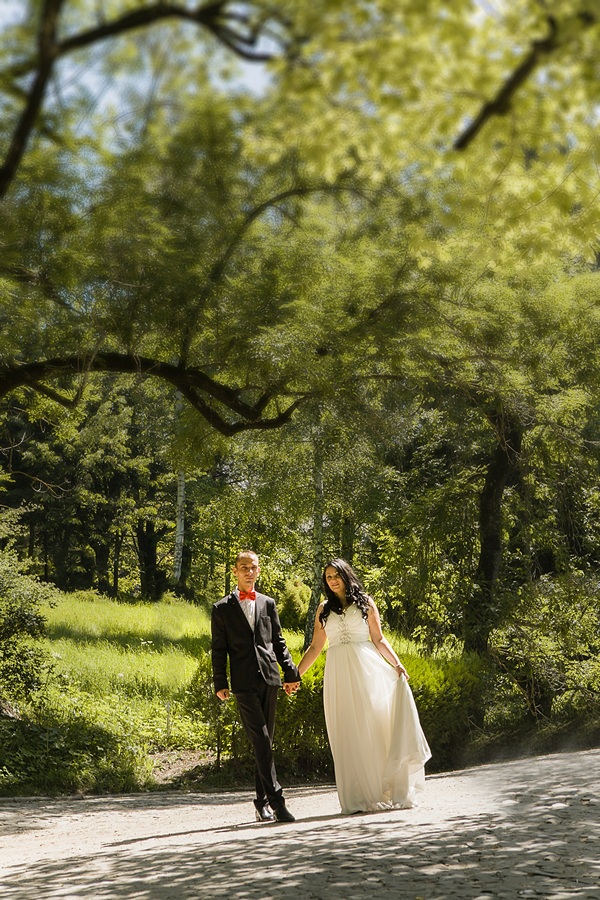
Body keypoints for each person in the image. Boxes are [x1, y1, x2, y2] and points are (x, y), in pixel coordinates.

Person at [298, 558, 431, 814]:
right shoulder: (323, 609)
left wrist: (397, 664)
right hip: (338, 673)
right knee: (347, 730)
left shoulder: (365, 603)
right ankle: (356, 797)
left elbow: (379, 638)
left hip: (367, 669)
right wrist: (295, 675)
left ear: (346, 575)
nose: (332, 580)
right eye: (328, 577)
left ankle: (386, 788)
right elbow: (315, 647)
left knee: (374, 726)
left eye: (336, 575)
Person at [211, 549, 300, 823]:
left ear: (259, 571)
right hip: (243, 683)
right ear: (235, 571)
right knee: (261, 740)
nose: (249, 572)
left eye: (253, 567)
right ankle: (277, 802)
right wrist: (220, 682)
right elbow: (218, 649)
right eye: (243, 567)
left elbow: (278, 642)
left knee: (266, 743)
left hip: (270, 679)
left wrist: (290, 673)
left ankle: (260, 803)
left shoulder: (268, 603)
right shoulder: (221, 608)